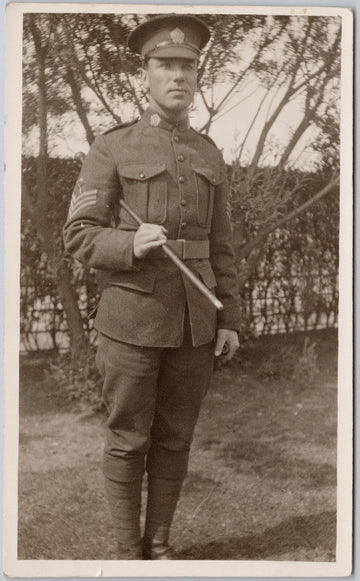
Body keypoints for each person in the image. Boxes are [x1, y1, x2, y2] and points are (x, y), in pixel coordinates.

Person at [63, 14, 241, 560]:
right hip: (131, 322)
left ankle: (159, 545)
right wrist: (128, 246)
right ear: (145, 74)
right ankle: (125, 552)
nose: (178, 75)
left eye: (187, 65)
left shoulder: (209, 152)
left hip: (194, 325)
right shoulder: (112, 148)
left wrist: (229, 317)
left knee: (174, 440)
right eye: (166, 65)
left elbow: (222, 246)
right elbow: (78, 234)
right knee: (128, 439)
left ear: (196, 75)